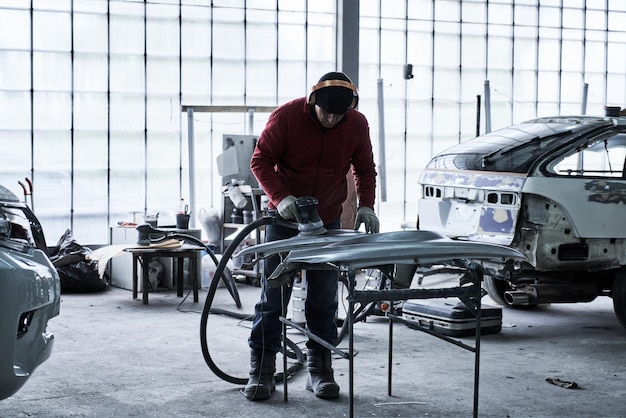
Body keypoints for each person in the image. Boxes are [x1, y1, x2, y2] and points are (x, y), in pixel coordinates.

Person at [243, 71, 379, 401]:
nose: (332, 119)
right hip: (284, 219)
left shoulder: (356, 125)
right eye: (326, 112)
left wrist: (367, 205)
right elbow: (260, 161)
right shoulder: (287, 118)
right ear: (312, 100)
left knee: (323, 298)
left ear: (350, 108)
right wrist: (281, 197)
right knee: (272, 297)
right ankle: (262, 369)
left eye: (339, 114)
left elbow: (364, 169)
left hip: (328, 222)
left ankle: (320, 368)